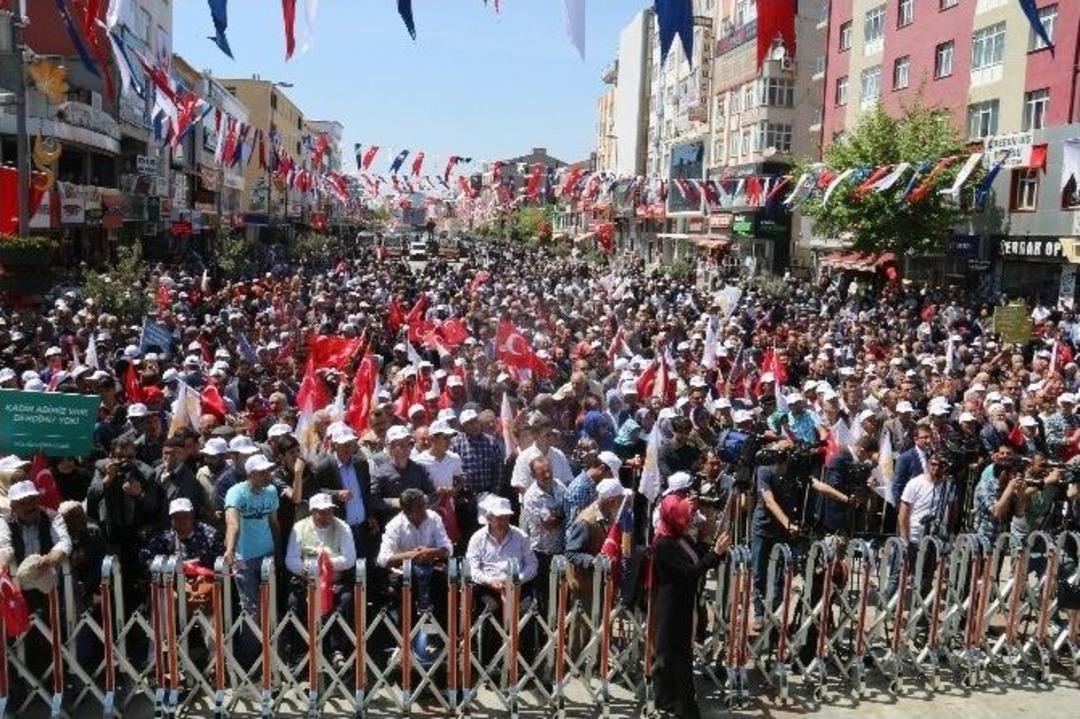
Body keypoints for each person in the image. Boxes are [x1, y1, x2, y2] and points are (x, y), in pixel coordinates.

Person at [651, 494, 730, 719]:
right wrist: (715, 554)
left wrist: (715, 548)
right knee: (674, 660)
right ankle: (678, 708)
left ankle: (676, 706)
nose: (687, 520)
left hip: (686, 607)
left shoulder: (681, 539)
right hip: (672, 610)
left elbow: (699, 557)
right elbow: (689, 574)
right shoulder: (663, 545)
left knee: (680, 657)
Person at [284, 493, 357, 666]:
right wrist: (312, 569)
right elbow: (291, 559)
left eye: (329, 512)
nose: (326, 516)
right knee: (294, 602)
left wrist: (326, 566)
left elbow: (350, 558)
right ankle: (300, 651)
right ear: (312, 512)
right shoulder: (299, 528)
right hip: (307, 580)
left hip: (334, 580)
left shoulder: (343, 527)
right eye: (322, 512)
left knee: (345, 600)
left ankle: (336, 649)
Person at [376, 488, 453, 614]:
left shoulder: (434, 518)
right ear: (407, 511)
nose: (425, 509)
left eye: (425, 504)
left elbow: (448, 548)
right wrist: (413, 555)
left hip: (432, 570)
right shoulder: (394, 525)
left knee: (445, 583)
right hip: (404, 574)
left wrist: (432, 552)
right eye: (420, 506)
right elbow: (383, 559)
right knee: (403, 584)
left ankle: (440, 629)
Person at [223, 454, 280, 613]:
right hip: (244, 557)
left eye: (268, 471)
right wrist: (231, 548)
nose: (268, 475)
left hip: (267, 555)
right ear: (250, 475)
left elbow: (274, 522)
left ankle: (270, 637)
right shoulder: (236, 493)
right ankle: (252, 638)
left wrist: (279, 551)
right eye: (262, 472)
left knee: (269, 603)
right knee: (250, 606)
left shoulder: (271, 491)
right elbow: (233, 523)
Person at [520, 456, 566, 599]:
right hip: (542, 552)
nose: (547, 475)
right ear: (533, 475)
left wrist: (557, 514)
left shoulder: (559, 485)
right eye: (542, 473)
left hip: (562, 548)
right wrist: (562, 513)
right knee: (543, 594)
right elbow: (548, 524)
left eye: (549, 471)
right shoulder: (532, 497)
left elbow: (568, 509)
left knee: (560, 593)